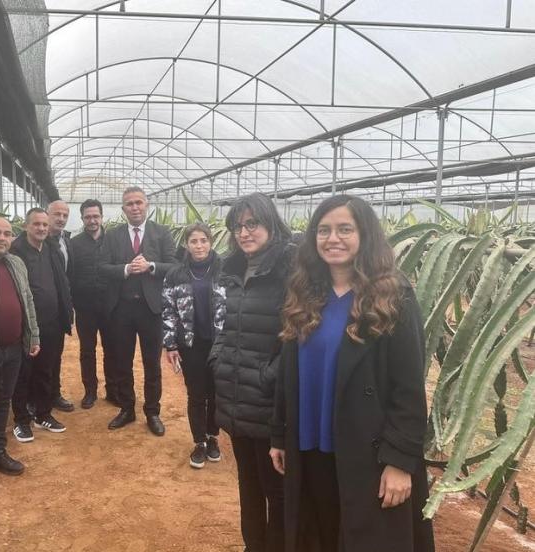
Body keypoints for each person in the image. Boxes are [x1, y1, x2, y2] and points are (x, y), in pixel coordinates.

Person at [270, 195, 435, 552]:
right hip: (310, 447)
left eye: (345, 229)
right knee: (319, 535)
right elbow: (289, 373)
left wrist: (400, 461)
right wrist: (279, 435)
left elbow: (408, 387)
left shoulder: (393, 297)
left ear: (365, 235)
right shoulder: (304, 293)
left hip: (366, 452)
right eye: (324, 230)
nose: (333, 238)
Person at [209, 192, 293, 552]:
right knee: (248, 484)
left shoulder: (290, 270)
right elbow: (224, 325)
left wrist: (267, 375)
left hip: (268, 401)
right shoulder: (233, 269)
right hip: (235, 394)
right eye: (238, 226)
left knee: (277, 490)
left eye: (252, 224)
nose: (244, 233)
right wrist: (219, 359)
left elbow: (298, 336)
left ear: (270, 223)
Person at [98, 186, 176, 436]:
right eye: (129, 204)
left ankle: (152, 412)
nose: (134, 207)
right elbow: (102, 267)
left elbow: (174, 266)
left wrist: (151, 266)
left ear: (146, 205)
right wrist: (125, 269)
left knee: (152, 363)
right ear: (123, 209)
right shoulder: (113, 235)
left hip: (151, 309)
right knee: (122, 361)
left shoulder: (161, 232)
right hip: (121, 309)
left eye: (138, 202)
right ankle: (127, 408)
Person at [162, 223, 226, 468]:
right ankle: (199, 442)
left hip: (219, 344)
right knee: (196, 393)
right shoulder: (175, 274)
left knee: (216, 393)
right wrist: (170, 344)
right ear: (186, 245)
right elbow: (168, 310)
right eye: (194, 241)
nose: (199, 246)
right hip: (190, 344)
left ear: (210, 242)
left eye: (203, 240)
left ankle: (213, 437)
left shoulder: (225, 270)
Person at [10, 208, 73, 437]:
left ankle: (43, 414)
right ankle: (21, 419)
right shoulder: (16, 251)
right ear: (26, 226)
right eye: (36, 224)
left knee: (46, 369)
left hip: (52, 321)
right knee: (24, 372)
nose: (41, 228)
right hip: (26, 323)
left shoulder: (50, 249)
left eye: (45, 225)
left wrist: (66, 313)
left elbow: (61, 282)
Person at [0, 217, 38, 463]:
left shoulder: (16, 263)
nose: (2, 238)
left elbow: (28, 299)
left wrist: (33, 334)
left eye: (7, 233)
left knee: (4, 398)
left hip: (13, 344)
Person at [70, 199, 118, 409]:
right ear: (82, 218)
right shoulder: (74, 244)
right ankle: (90, 391)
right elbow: (70, 274)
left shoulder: (113, 241)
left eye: (95, 216)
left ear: (101, 217)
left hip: (110, 306)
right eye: (88, 217)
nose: (92, 220)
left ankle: (112, 390)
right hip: (85, 307)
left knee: (111, 349)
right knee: (87, 350)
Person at [46, 199, 75, 412]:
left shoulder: (65, 240)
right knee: (41, 357)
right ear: (47, 214)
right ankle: (37, 399)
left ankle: (54, 394)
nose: (61, 218)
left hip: (60, 308)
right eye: (57, 214)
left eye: (65, 215)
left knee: (56, 354)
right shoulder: (37, 241)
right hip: (42, 309)